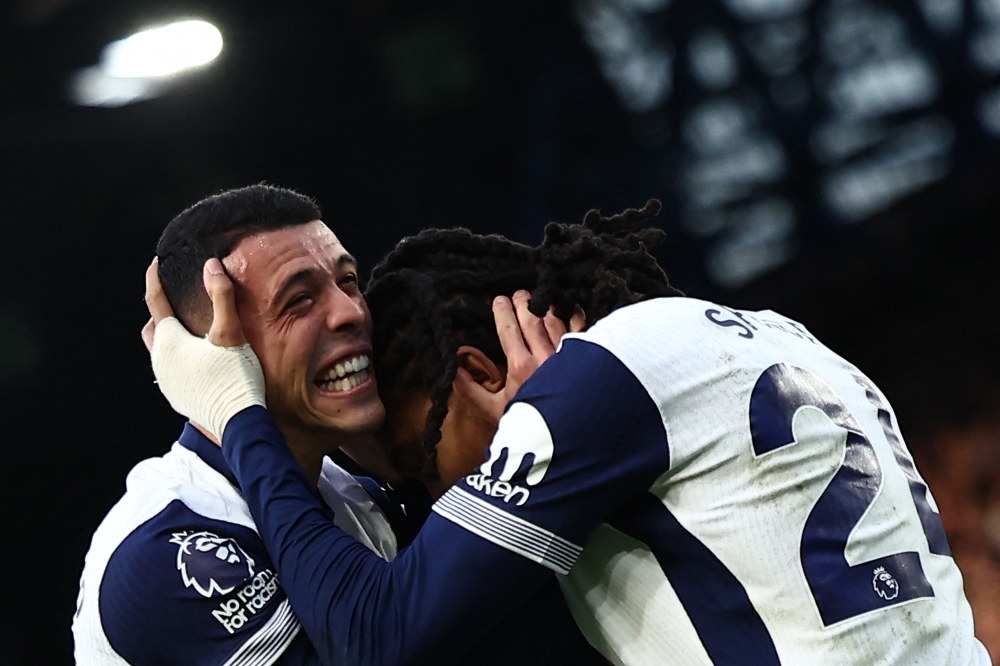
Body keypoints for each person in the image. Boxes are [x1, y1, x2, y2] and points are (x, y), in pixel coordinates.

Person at [145, 199, 993, 665]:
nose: (436, 505)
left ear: (479, 375)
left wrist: (237, 413)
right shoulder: (768, 331)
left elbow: (376, 637)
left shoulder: (590, 390)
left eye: (413, 464)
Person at [73, 185, 600, 665]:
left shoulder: (363, 500)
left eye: (347, 281)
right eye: (299, 299)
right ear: (217, 348)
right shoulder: (169, 548)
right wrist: (237, 408)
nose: (350, 312)